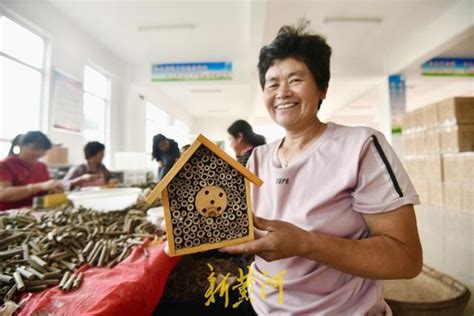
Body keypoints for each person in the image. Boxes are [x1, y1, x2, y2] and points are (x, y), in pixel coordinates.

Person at [220, 22, 422, 315]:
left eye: (295, 80)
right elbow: (247, 227)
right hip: (264, 307)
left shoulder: (360, 146)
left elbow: (407, 259)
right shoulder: (258, 158)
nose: (282, 92)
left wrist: (306, 243)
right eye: (272, 83)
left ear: (322, 89)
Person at [0, 131, 64, 211]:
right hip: (10, 214)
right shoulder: (5, 165)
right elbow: (2, 194)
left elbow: (46, 190)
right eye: (35, 148)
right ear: (22, 146)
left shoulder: (41, 166)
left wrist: (54, 189)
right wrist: (38, 187)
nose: (39, 153)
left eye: (43, 150)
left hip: (36, 211)